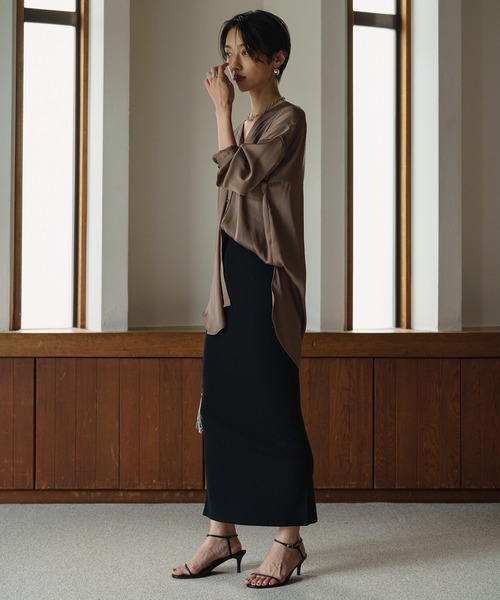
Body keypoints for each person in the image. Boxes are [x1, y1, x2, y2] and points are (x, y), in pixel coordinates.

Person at [171, 10, 317, 589]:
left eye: (245, 52)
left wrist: (220, 112)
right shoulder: (250, 122)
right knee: (222, 407)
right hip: (228, 274)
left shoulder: (288, 120)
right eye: (228, 51)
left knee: (275, 407)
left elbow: (238, 176)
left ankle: (288, 541)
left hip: (266, 277)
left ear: (276, 59)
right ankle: (222, 532)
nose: (232, 63)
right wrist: (230, 116)